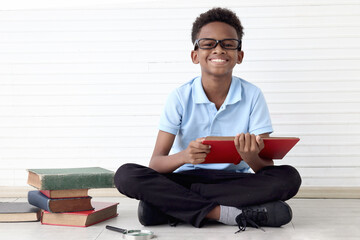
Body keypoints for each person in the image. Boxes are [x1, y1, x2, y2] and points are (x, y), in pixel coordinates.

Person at [114, 7, 301, 232]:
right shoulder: (180, 97)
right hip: (188, 179)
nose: (219, 49)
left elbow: (265, 168)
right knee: (125, 174)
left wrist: (250, 157)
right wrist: (184, 156)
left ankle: (169, 205)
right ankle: (226, 213)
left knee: (289, 178)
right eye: (208, 43)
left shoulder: (253, 95)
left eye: (228, 44)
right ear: (195, 55)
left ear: (239, 55)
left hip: (233, 183)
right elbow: (156, 163)